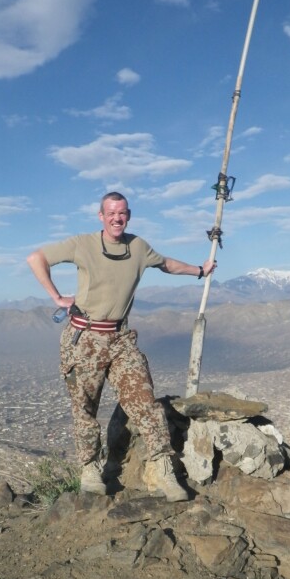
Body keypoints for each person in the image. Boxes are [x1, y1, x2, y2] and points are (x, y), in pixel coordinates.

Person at [27, 191, 216, 502]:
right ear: (101, 216)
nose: (117, 218)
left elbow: (166, 264)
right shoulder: (82, 244)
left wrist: (199, 270)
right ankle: (90, 469)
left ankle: (164, 468)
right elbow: (36, 259)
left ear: (129, 215)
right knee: (85, 408)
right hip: (84, 339)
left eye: (123, 213)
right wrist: (57, 297)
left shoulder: (138, 247)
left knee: (144, 400)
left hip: (121, 338)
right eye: (111, 213)